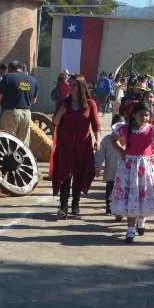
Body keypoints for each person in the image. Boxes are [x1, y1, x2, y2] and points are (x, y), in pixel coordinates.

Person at [110, 102, 154, 241]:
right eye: (141, 115)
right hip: (129, 168)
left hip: (145, 168)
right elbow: (113, 139)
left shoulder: (152, 129)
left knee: (142, 195)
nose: (144, 118)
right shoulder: (125, 128)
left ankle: (141, 221)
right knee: (131, 195)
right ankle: (130, 229)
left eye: (147, 115)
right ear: (133, 115)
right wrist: (121, 151)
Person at [51, 74, 101, 218]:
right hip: (65, 144)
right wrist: (61, 113)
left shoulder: (90, 104)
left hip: (83, 144)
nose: (71, 87)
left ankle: (76, 204)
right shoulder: (63, 103)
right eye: (70, 84)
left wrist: (97, 141)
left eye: (74, 85)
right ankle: (64, 206)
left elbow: (96, 125)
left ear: (81, 86)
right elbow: (54, 122)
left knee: (80, 173)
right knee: (64, 173)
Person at [0, 60, 37, 147]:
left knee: (7, 143)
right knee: (22, 145)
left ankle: (7, 160)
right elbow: (33, 100)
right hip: (26, 114)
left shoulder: (8, 77)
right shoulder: (32, 79)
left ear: (10, 68)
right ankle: (20, 160)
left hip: (11, 113)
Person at [94, 113, 125, 218]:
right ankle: (109, 206)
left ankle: (120, 209)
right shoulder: (107, 140)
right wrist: (97, 167)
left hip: (124, 173)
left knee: (123, 190)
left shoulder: (128, 140)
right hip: (110, 172)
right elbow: (100, 154)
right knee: (110, 189)